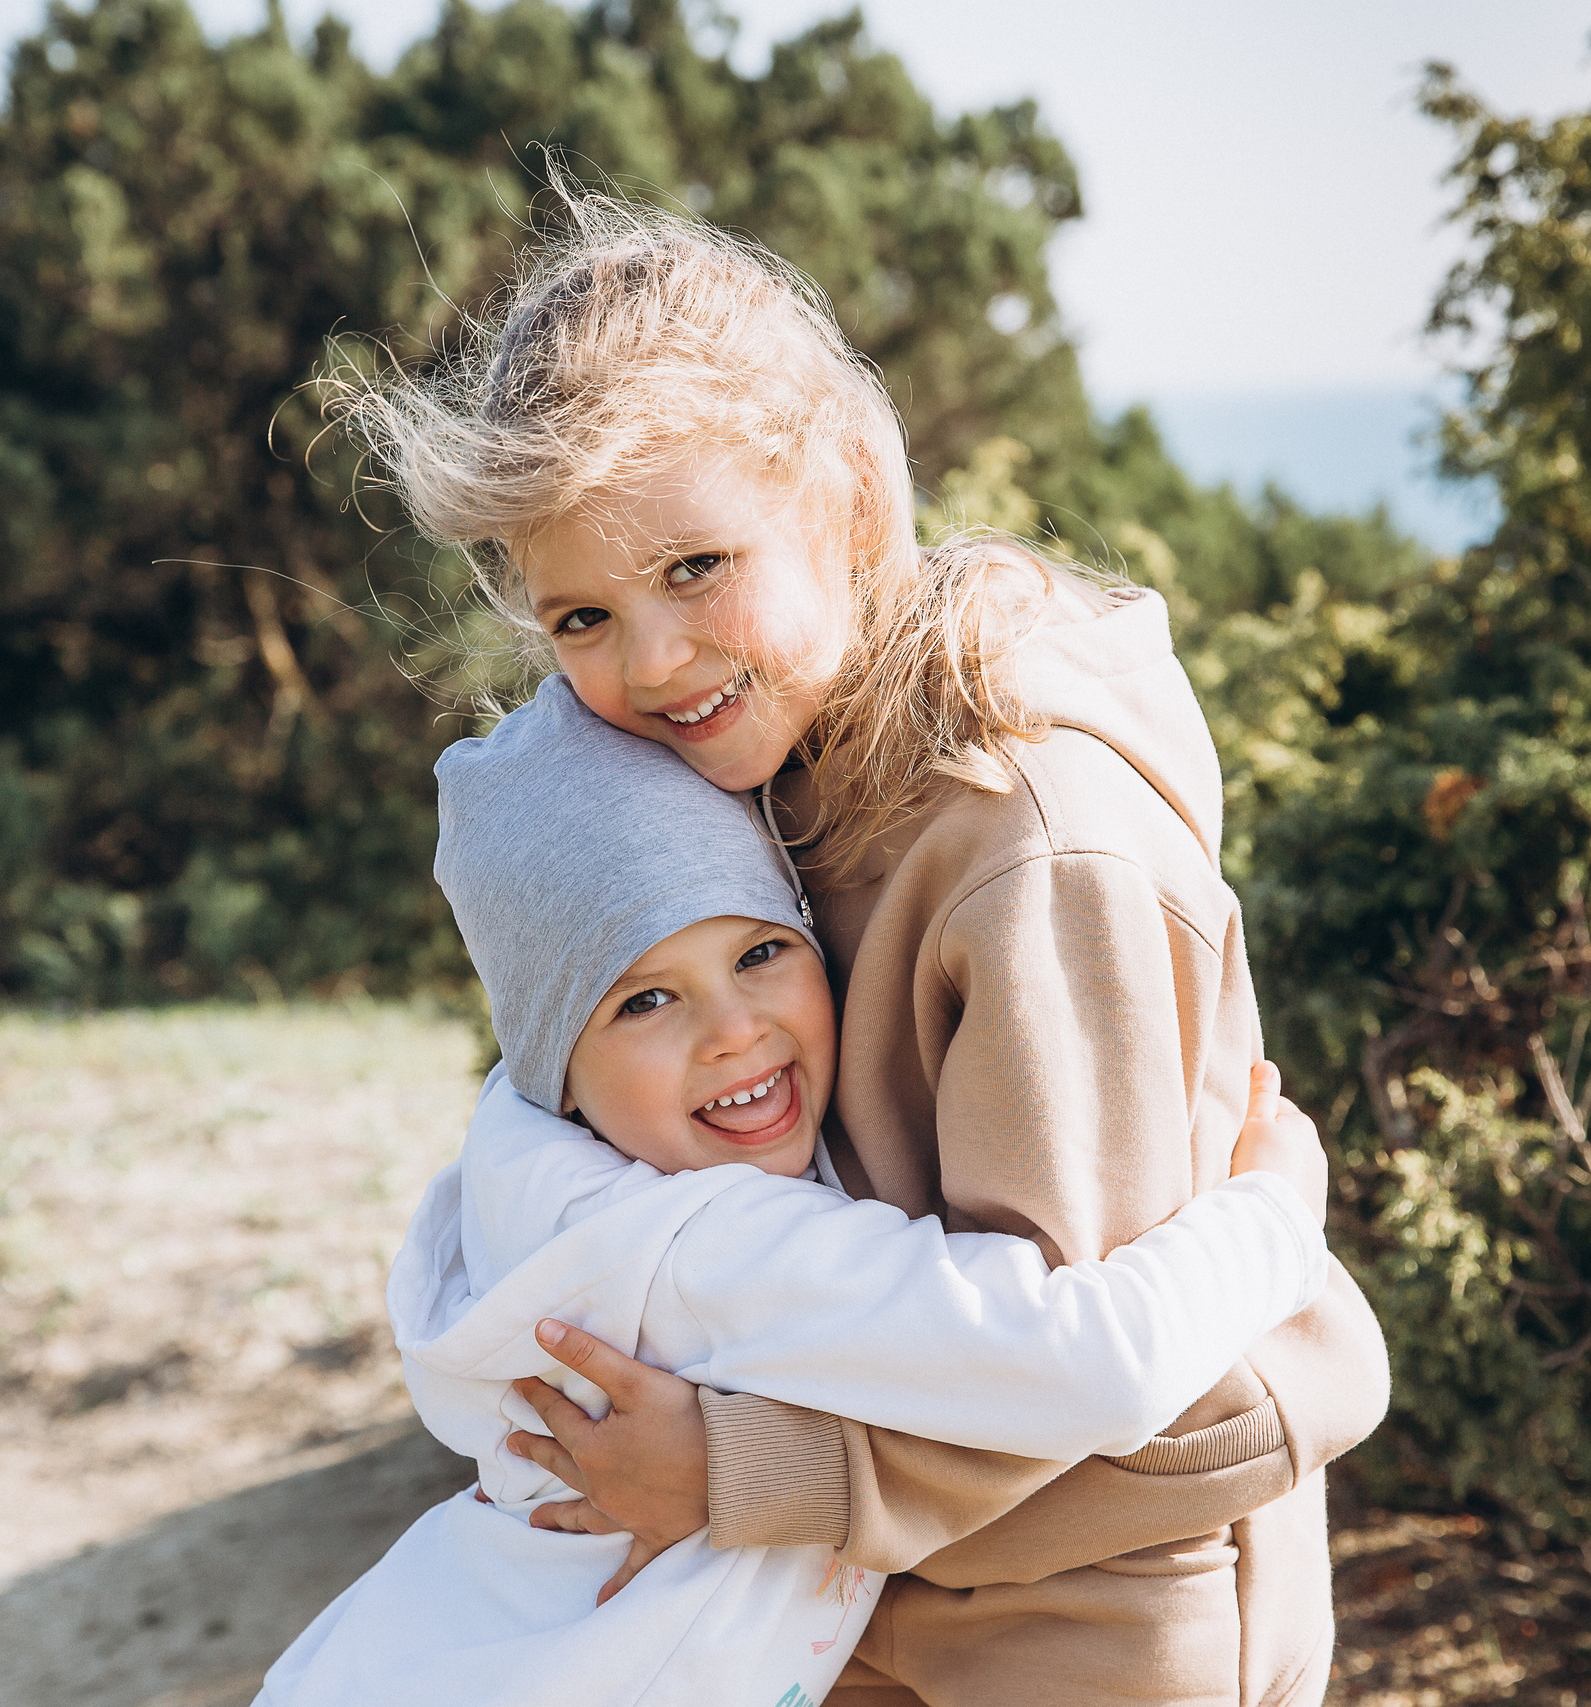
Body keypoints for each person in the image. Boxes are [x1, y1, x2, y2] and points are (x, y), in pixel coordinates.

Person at [340, 188, 1392, 1705]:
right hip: (847, 1590)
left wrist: (733, 1461)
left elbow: (1073, 1360)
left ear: (846, 495)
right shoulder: (746, 775)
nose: (649, 661)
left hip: (1083, 1612)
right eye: (579, 615)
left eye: (698, 567)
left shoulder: (1033, 846)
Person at [255, 675, 1335, 1707]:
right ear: (557, 1068)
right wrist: (1273, 1220)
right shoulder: (715, 1248)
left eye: (763, 950)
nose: (734, 1030)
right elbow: (1092, 1363)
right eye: (642, 1002)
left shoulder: (522, 1181)